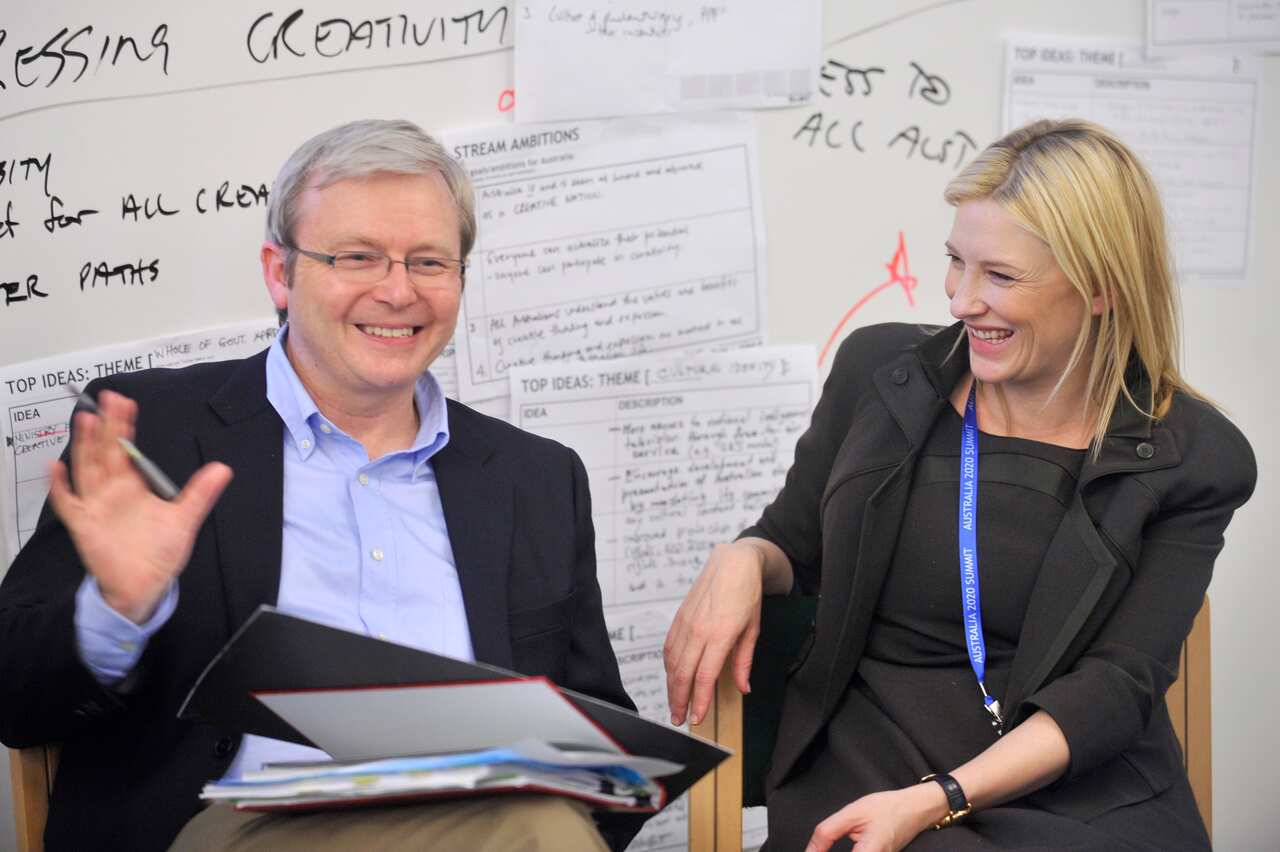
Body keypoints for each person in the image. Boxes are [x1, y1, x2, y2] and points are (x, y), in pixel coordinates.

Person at [0, 120, 639, 852]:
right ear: (280, 272)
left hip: (480, 829)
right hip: (229, 828)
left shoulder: (537, 478)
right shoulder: (156, 433)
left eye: (429, 262)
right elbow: (14, 698)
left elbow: (606, 770)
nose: (398, 292)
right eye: (357, 257)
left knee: (543, 821)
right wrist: (116, 609)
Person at [663, 119, 1256, 852]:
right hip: (874, 766)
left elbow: (1119, 685)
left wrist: (943, 798)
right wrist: (744, 556)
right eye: (955, 262)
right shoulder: (879, 374)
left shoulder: (1193, 457)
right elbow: (795, 544)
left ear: (1102, 288)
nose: (960, 300)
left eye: (1000, 276)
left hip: (1080, 786)